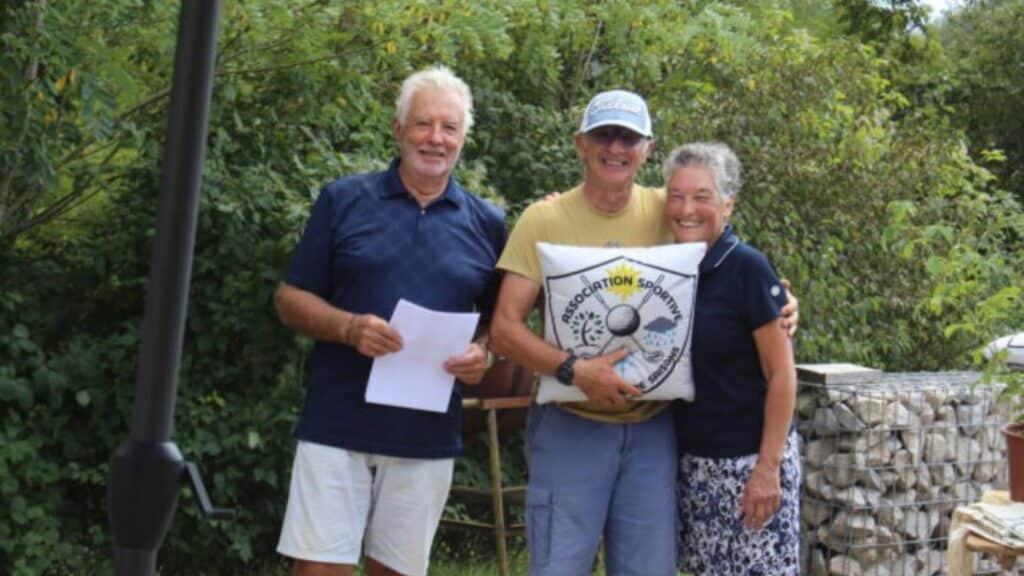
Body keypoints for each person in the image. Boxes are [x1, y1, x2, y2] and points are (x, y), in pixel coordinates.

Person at [490, 90, 797, 575]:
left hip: (654, 430)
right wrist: (576, 370)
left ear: (647, 149)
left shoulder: (670, 209)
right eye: (603, 135)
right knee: (558, 567)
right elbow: (504, 330)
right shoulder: (543, 219)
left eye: (628, 137)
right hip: (572, 423)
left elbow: (731, 259)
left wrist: (779, 300)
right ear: (581, 144)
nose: (616, 146)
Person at [273, 66, 507, 576]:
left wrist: (484, 351)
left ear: (464, 139)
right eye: (424, 124)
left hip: (425, 434)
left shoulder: (487, 223)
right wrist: (348, 327)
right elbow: (290, 299)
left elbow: (499, 322)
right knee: (318, 571)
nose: (436, 138)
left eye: (449, 128)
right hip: (338, 420)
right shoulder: (344, 200)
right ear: (398, 129)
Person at [666, 142, 799, 575]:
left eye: (702, 196)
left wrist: (768, 468)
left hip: (749, 467)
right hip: (694, 467)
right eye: (677, 195)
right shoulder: (669, 266)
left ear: (728, 202)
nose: (687, 208)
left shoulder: (748, 268)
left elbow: (782, 375)